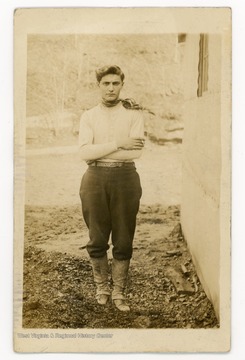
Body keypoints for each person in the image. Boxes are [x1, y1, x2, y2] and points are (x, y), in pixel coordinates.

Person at [79, 65, 145, 312]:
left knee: (123, 236)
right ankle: (102, 288)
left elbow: (136, 151)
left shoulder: (134, 114)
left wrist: (102, 149)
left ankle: (118, 291)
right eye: (106, 83)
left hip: (125, 178)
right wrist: (119, 143)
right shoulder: (88, 116)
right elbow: (84, 152)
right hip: (94, 178)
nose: (111, 88)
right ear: (99, 85)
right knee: (96, 236)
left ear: (121, 85)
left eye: (115, 83)